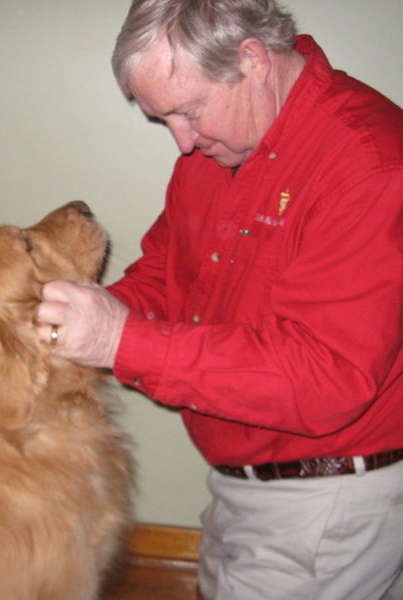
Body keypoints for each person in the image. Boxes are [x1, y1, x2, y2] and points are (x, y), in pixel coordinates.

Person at [35, 1, 403, 598]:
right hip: (244, 479)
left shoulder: (369, 165)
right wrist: (91, 316)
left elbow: (323, 378)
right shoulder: (222, 147)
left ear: (252, 60)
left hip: (328, 499)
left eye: (188, 110)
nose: (182, 142)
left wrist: (120, 341)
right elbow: (167, 269)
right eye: (165, 120)